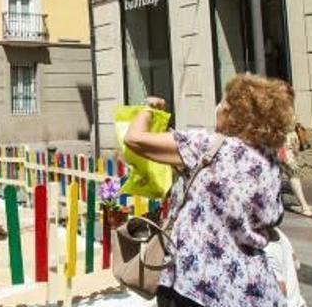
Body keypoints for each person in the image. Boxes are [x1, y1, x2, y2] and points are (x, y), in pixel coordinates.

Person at [124, 74, 293, 307]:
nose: (218, 108)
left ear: (236, 115)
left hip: (196, 283)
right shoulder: (269, 161)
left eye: (223, 103)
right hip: (250, 287)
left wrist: (148, 109)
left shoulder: (208, 145)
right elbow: (272, 217)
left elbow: (134, 139)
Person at [280, 122, 312, 218]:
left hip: (288, 137)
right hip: (278, 138)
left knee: (292, 171)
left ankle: (304, 207)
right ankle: (304, 207)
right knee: (292, 170)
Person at [265, 228, 307, 307]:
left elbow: (280, 290)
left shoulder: (265, 252)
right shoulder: (279, 233)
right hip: (299, 303)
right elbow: (297, 264)